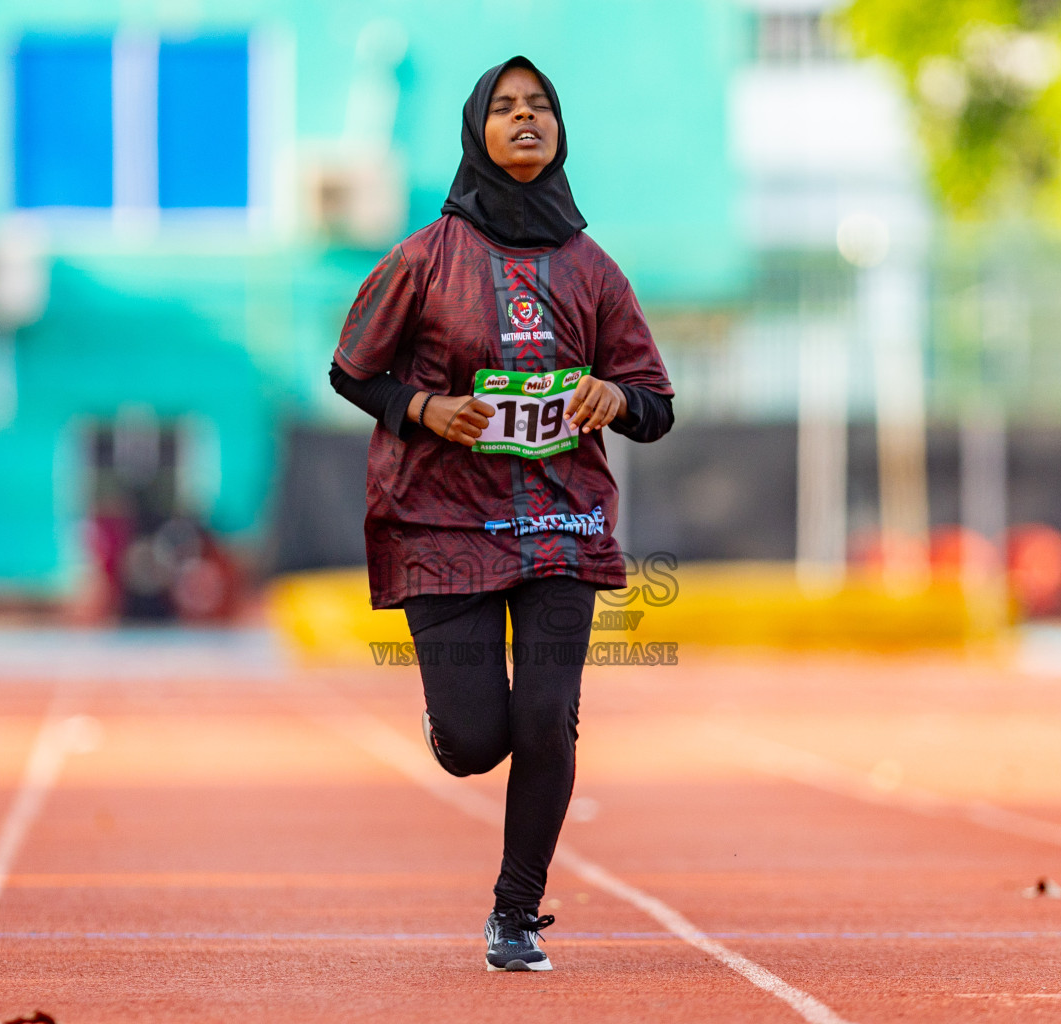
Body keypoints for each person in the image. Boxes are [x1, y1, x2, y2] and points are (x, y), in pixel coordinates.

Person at [329, 55, 674, 972]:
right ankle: (456, 722)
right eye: (508, 107)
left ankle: (516, 912)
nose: (528, 119)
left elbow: (655, 400)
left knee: (547, 717)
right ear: (477, 129)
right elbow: (353, 370)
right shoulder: (422, 258)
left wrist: (613, 396)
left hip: (562, 524)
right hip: (443, 524)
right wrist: (427, 409)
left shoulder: (593, 269)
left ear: (560, 131)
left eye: (543, 107)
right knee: (478, 741)